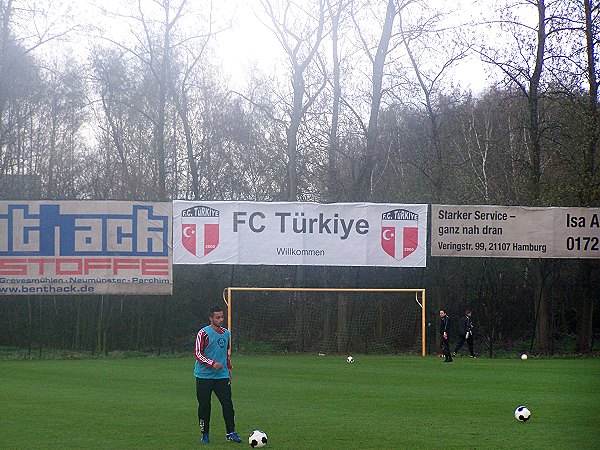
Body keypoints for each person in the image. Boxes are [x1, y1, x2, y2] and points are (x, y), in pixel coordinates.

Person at [194, 305, 242, 444]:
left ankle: (230, 432)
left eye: (222, 317)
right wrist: (211, 363)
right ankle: (205, 434)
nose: (221, 320)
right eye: (218, 317)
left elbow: (226, 353)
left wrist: (229, 368)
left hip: (221, 375)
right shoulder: (203, 333)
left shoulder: (226, 333)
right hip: (204, 376)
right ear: (211, 318)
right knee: (204, 406)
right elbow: (198, 353)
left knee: (227, 404)